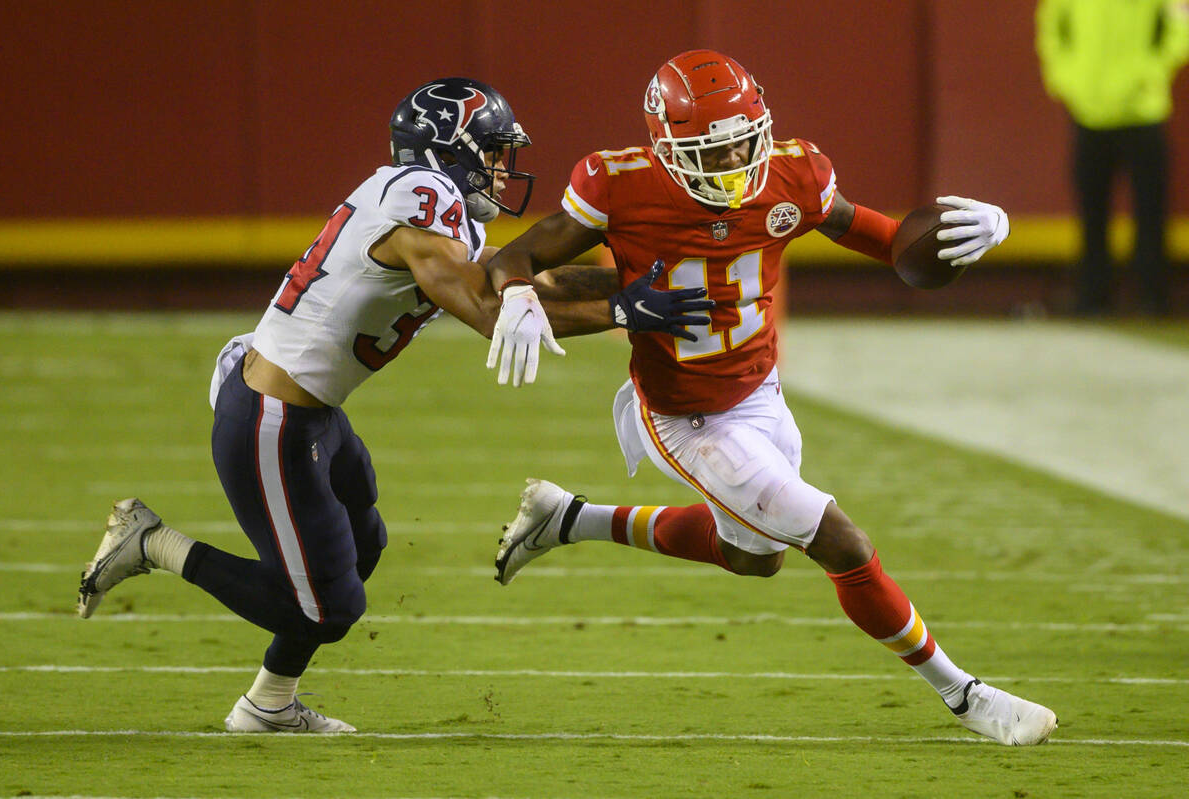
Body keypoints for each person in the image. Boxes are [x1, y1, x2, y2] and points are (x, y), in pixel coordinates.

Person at [76, 77, 710, 733]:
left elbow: (520, 279)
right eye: (492, 150)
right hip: (272, 416)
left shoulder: (426, 204)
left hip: (309, 410)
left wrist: (633, 279)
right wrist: (621, 310)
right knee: (329, 606)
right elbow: (492, 310)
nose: (502, 166)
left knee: (363, 543)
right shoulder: (424, 202)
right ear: (448, 149)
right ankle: (151, 542)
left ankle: (267, 704)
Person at [491, 49, 1058, 746]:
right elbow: (513, 257)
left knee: (756, 558)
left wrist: (967, 237)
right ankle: (964, 693)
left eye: (741, 139)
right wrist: (518, 290)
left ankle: (569, 518)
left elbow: (888, 244)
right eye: (711, 147)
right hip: (682, 414)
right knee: (839, 539)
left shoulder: (792, 172)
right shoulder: (619, 183)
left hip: (760, 392)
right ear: (664, 145)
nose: (732, 159)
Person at [1036, 0, 1189, 315]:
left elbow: (1181, 22)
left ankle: (1152, 297)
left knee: (1150, 211)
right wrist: (1065, 78)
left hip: (1143, 112)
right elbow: (1050, 28)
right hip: (1088, 113)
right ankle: (1093, 295)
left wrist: (1151, 72)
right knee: (1092, 211)